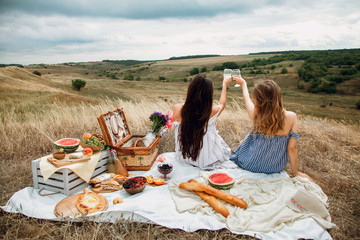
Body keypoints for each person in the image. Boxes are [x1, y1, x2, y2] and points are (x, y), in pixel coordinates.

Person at [230, 77, 312, 181]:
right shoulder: (291, 117)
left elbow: (247, 101)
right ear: (278, 96)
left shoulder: (257, 114)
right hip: (274, 167)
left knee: (244, 141)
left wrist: (244, 85)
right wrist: (296, 172)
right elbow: (292, 147)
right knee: (246, 138)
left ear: (258, 99)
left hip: (249, 164)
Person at [173, 74, 237, 169]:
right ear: (209, 94)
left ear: (191, 90)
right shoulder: (211, 110)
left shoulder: (177, 108)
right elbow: (222, 104)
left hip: (184, 157)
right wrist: (224, 85)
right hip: (204, 159)